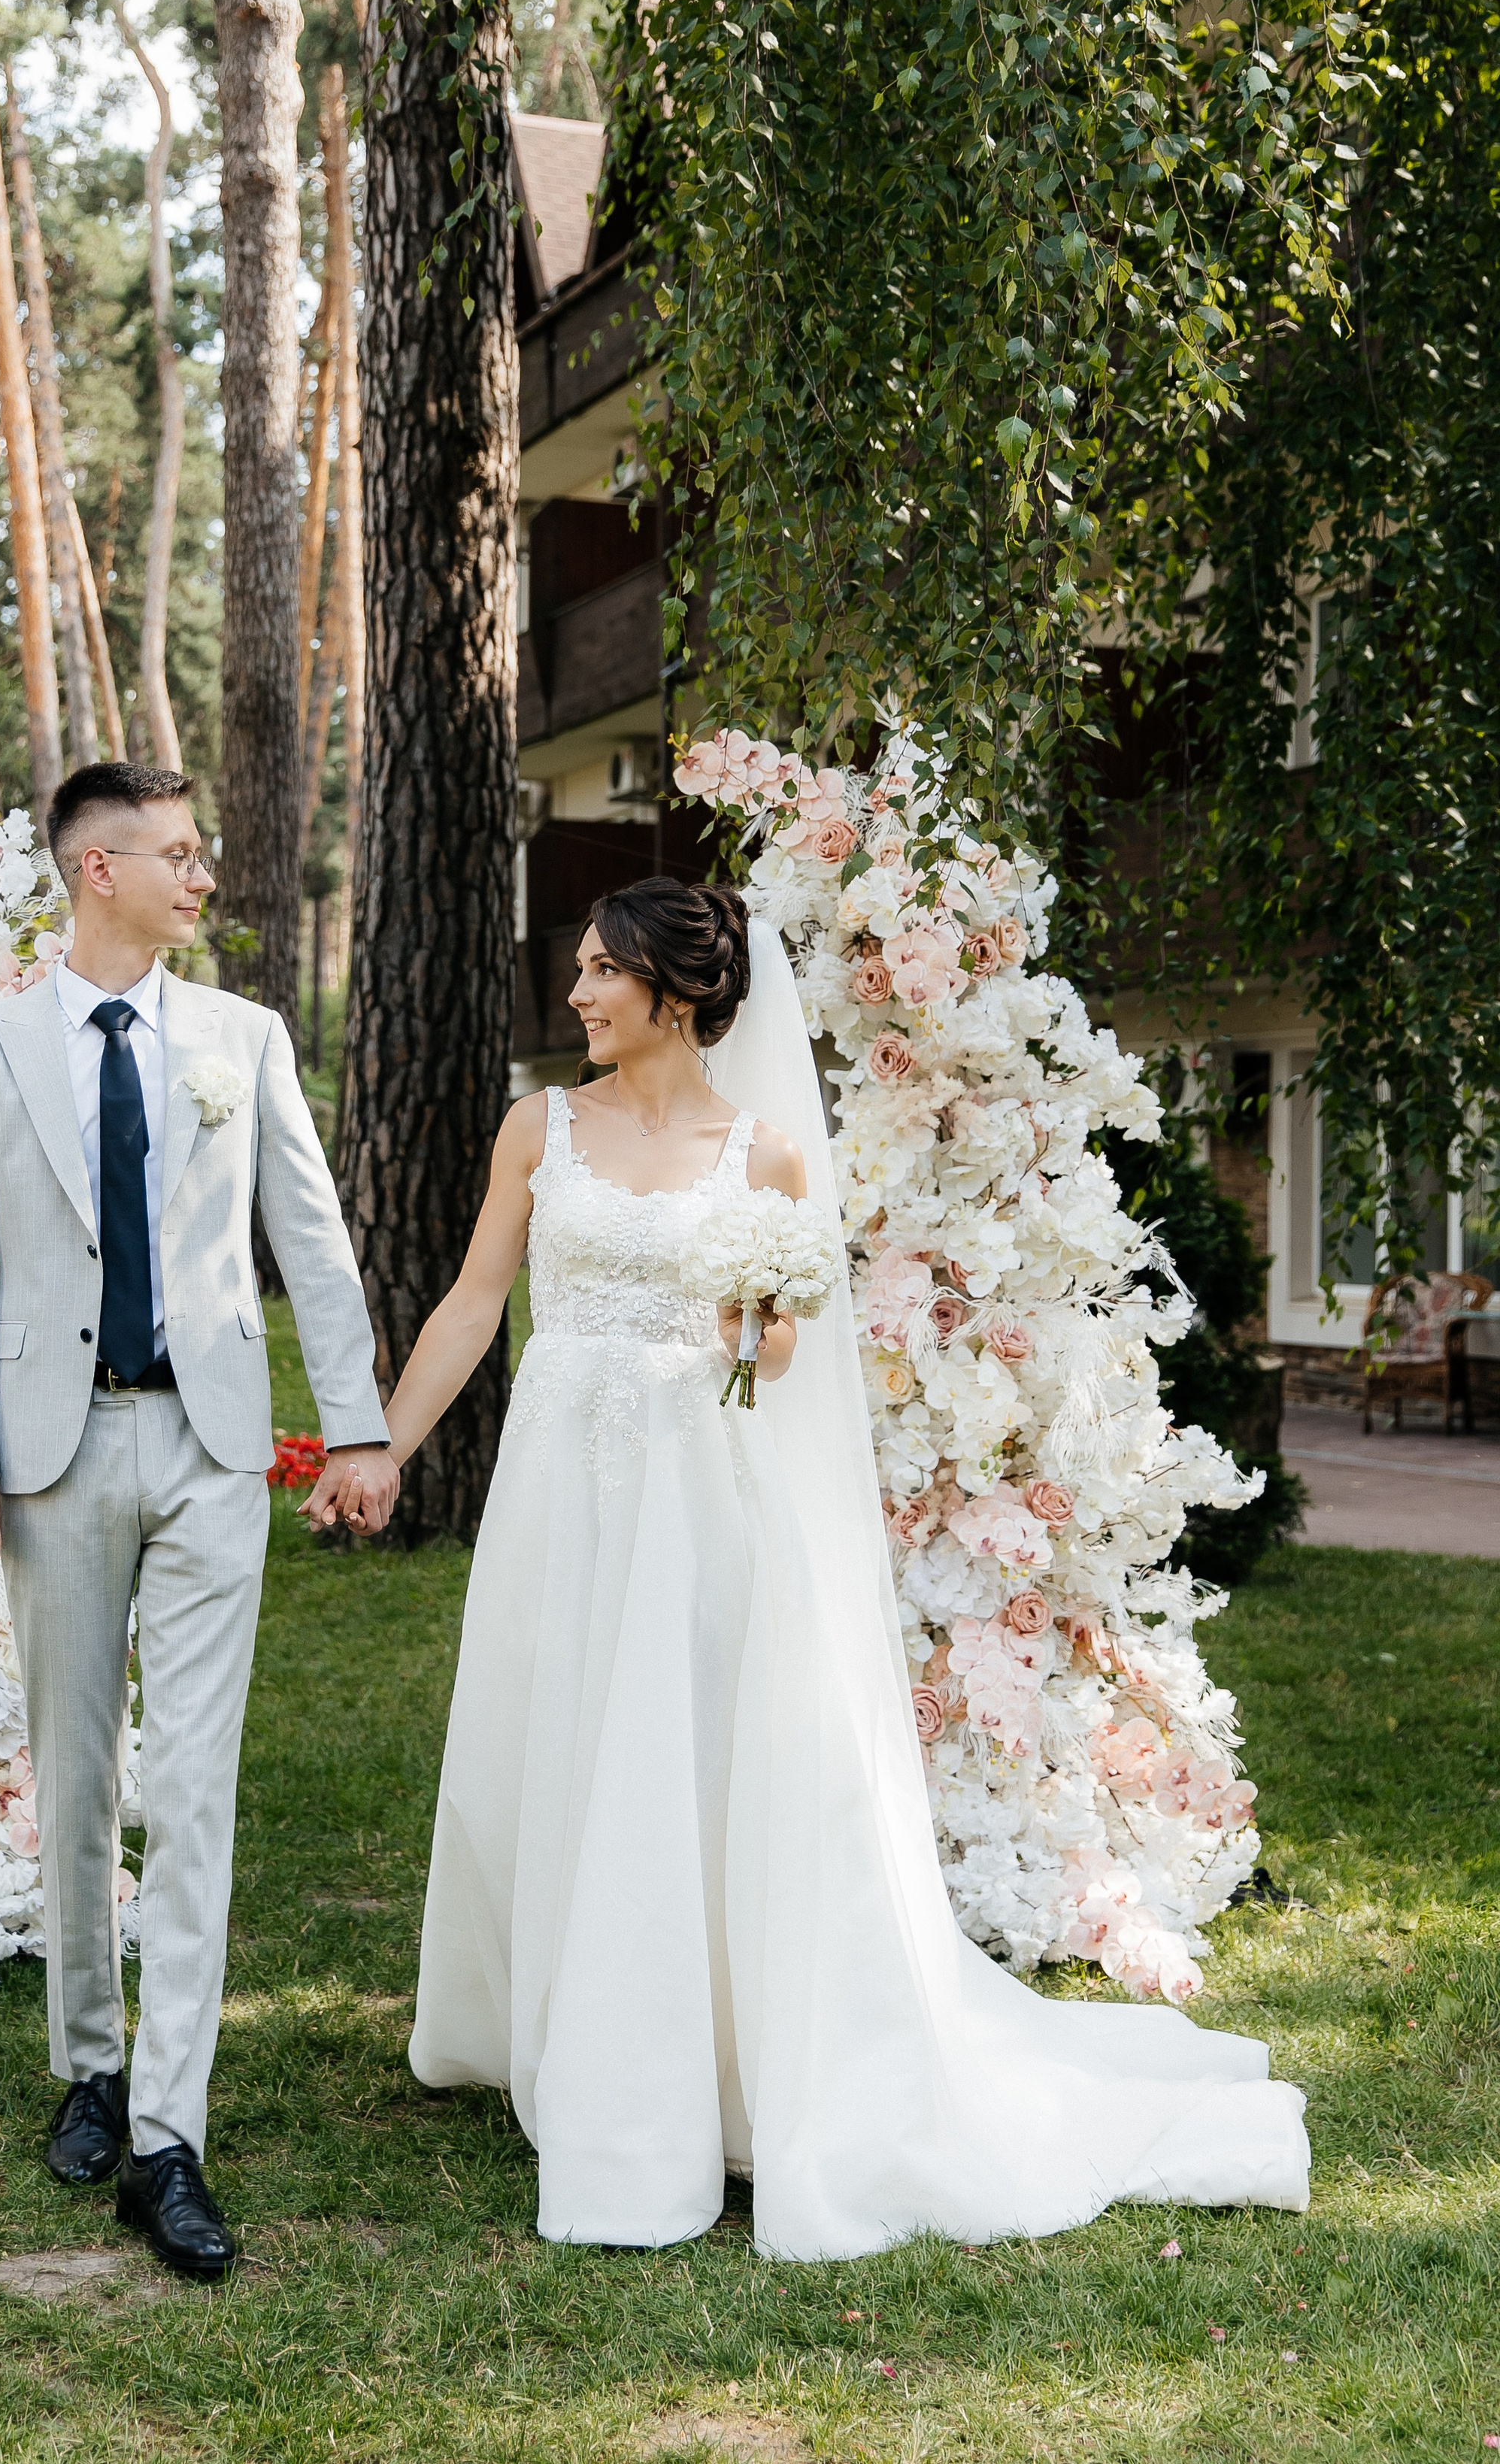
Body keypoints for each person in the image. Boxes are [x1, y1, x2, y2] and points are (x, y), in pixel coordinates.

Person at [385, 876, 1310, 2257]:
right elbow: (472, 1303)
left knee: (680, 1754)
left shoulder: (763, 1159)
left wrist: (759, 1322)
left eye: (598, 974)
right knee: (556, 1732)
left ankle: (692, 2063)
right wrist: (385, 1450)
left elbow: (777, 1364)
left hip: (696, 1490)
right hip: (559, 1485)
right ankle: (558, 2017)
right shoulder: (540, 1127)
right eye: (577, 971)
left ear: (677, 994)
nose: (575, 995)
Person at [0, 761, 398, 2279]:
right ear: (97, 870)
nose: (205, 878)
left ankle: (168, 2136)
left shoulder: (242, 1041)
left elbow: (311, 1244)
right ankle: (89, 2063)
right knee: (76, 1777)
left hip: (211, 1451)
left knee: (194, 1789)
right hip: (52, 1458)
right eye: (179, 856)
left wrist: (364, 1423)